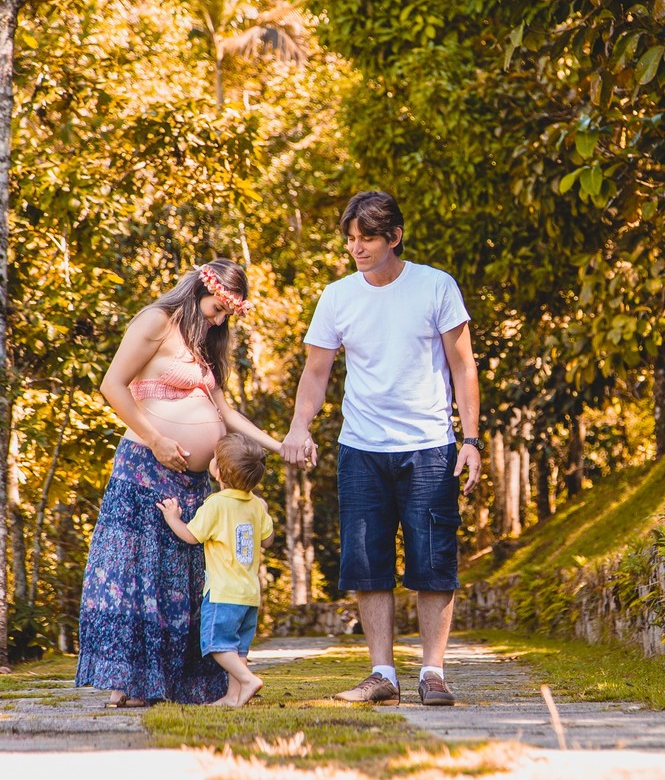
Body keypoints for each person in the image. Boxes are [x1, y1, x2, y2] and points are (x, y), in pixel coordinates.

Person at [281, 190, 481, 707]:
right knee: (368, 563)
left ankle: (432, 674)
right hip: (361, 449)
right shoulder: (337, 297)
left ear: (393, 237)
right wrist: (301, 426)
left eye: (367, 238)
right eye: (350, 239)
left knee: (433, 561)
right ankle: (383, 675)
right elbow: (316, 371)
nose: (356, 248)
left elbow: (463, 367)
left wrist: (472, 439)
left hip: (429, 447)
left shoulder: (436, 287)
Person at [76, 259, 282, 707]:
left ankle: (170, 683)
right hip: (146, 468)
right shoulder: (156, 321)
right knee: (139, 574)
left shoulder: (205, 341)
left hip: (193, 486)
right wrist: (156, 441)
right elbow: (112, 385)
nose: (221, 319)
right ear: (199, 290)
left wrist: (280, 446)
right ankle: (129, 682)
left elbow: (226, 414)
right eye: (218, 308)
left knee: (182, 584)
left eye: (229, 313)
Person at [159, 432, 274, 707]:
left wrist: (172, 518)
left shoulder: (216, 504)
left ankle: (248, 681)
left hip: (223, 593)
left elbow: (191, 536)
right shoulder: (256, 505)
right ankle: (234, 697)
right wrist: (265, 512)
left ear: (219, 471)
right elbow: (268, 539)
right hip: (249, 594)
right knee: (238, 648)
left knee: (216, 644)